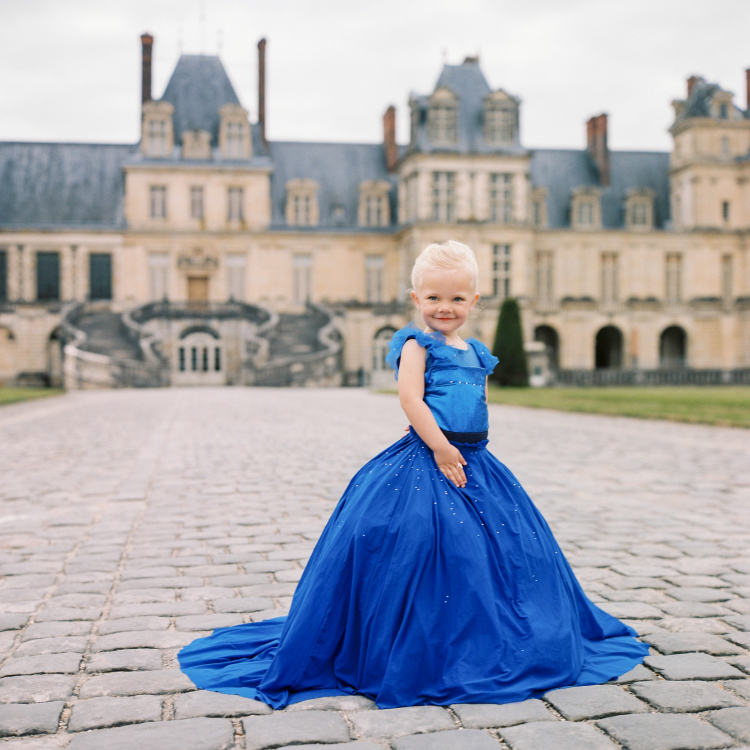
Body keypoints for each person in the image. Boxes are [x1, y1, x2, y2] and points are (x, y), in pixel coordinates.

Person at [178, 241, 649, 709]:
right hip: (433, 456)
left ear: (475, 302)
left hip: (475, 460)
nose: (445, 308)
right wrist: (440, 446)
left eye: (457, 299)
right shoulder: (414, 343)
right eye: (434, 298)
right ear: (416, 300)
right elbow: (410, 399)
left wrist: (465, 443)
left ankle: (491, 631)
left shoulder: (474, 350)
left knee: (508, 551)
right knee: (424, 543)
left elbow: (471, 402)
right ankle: (414, 642)